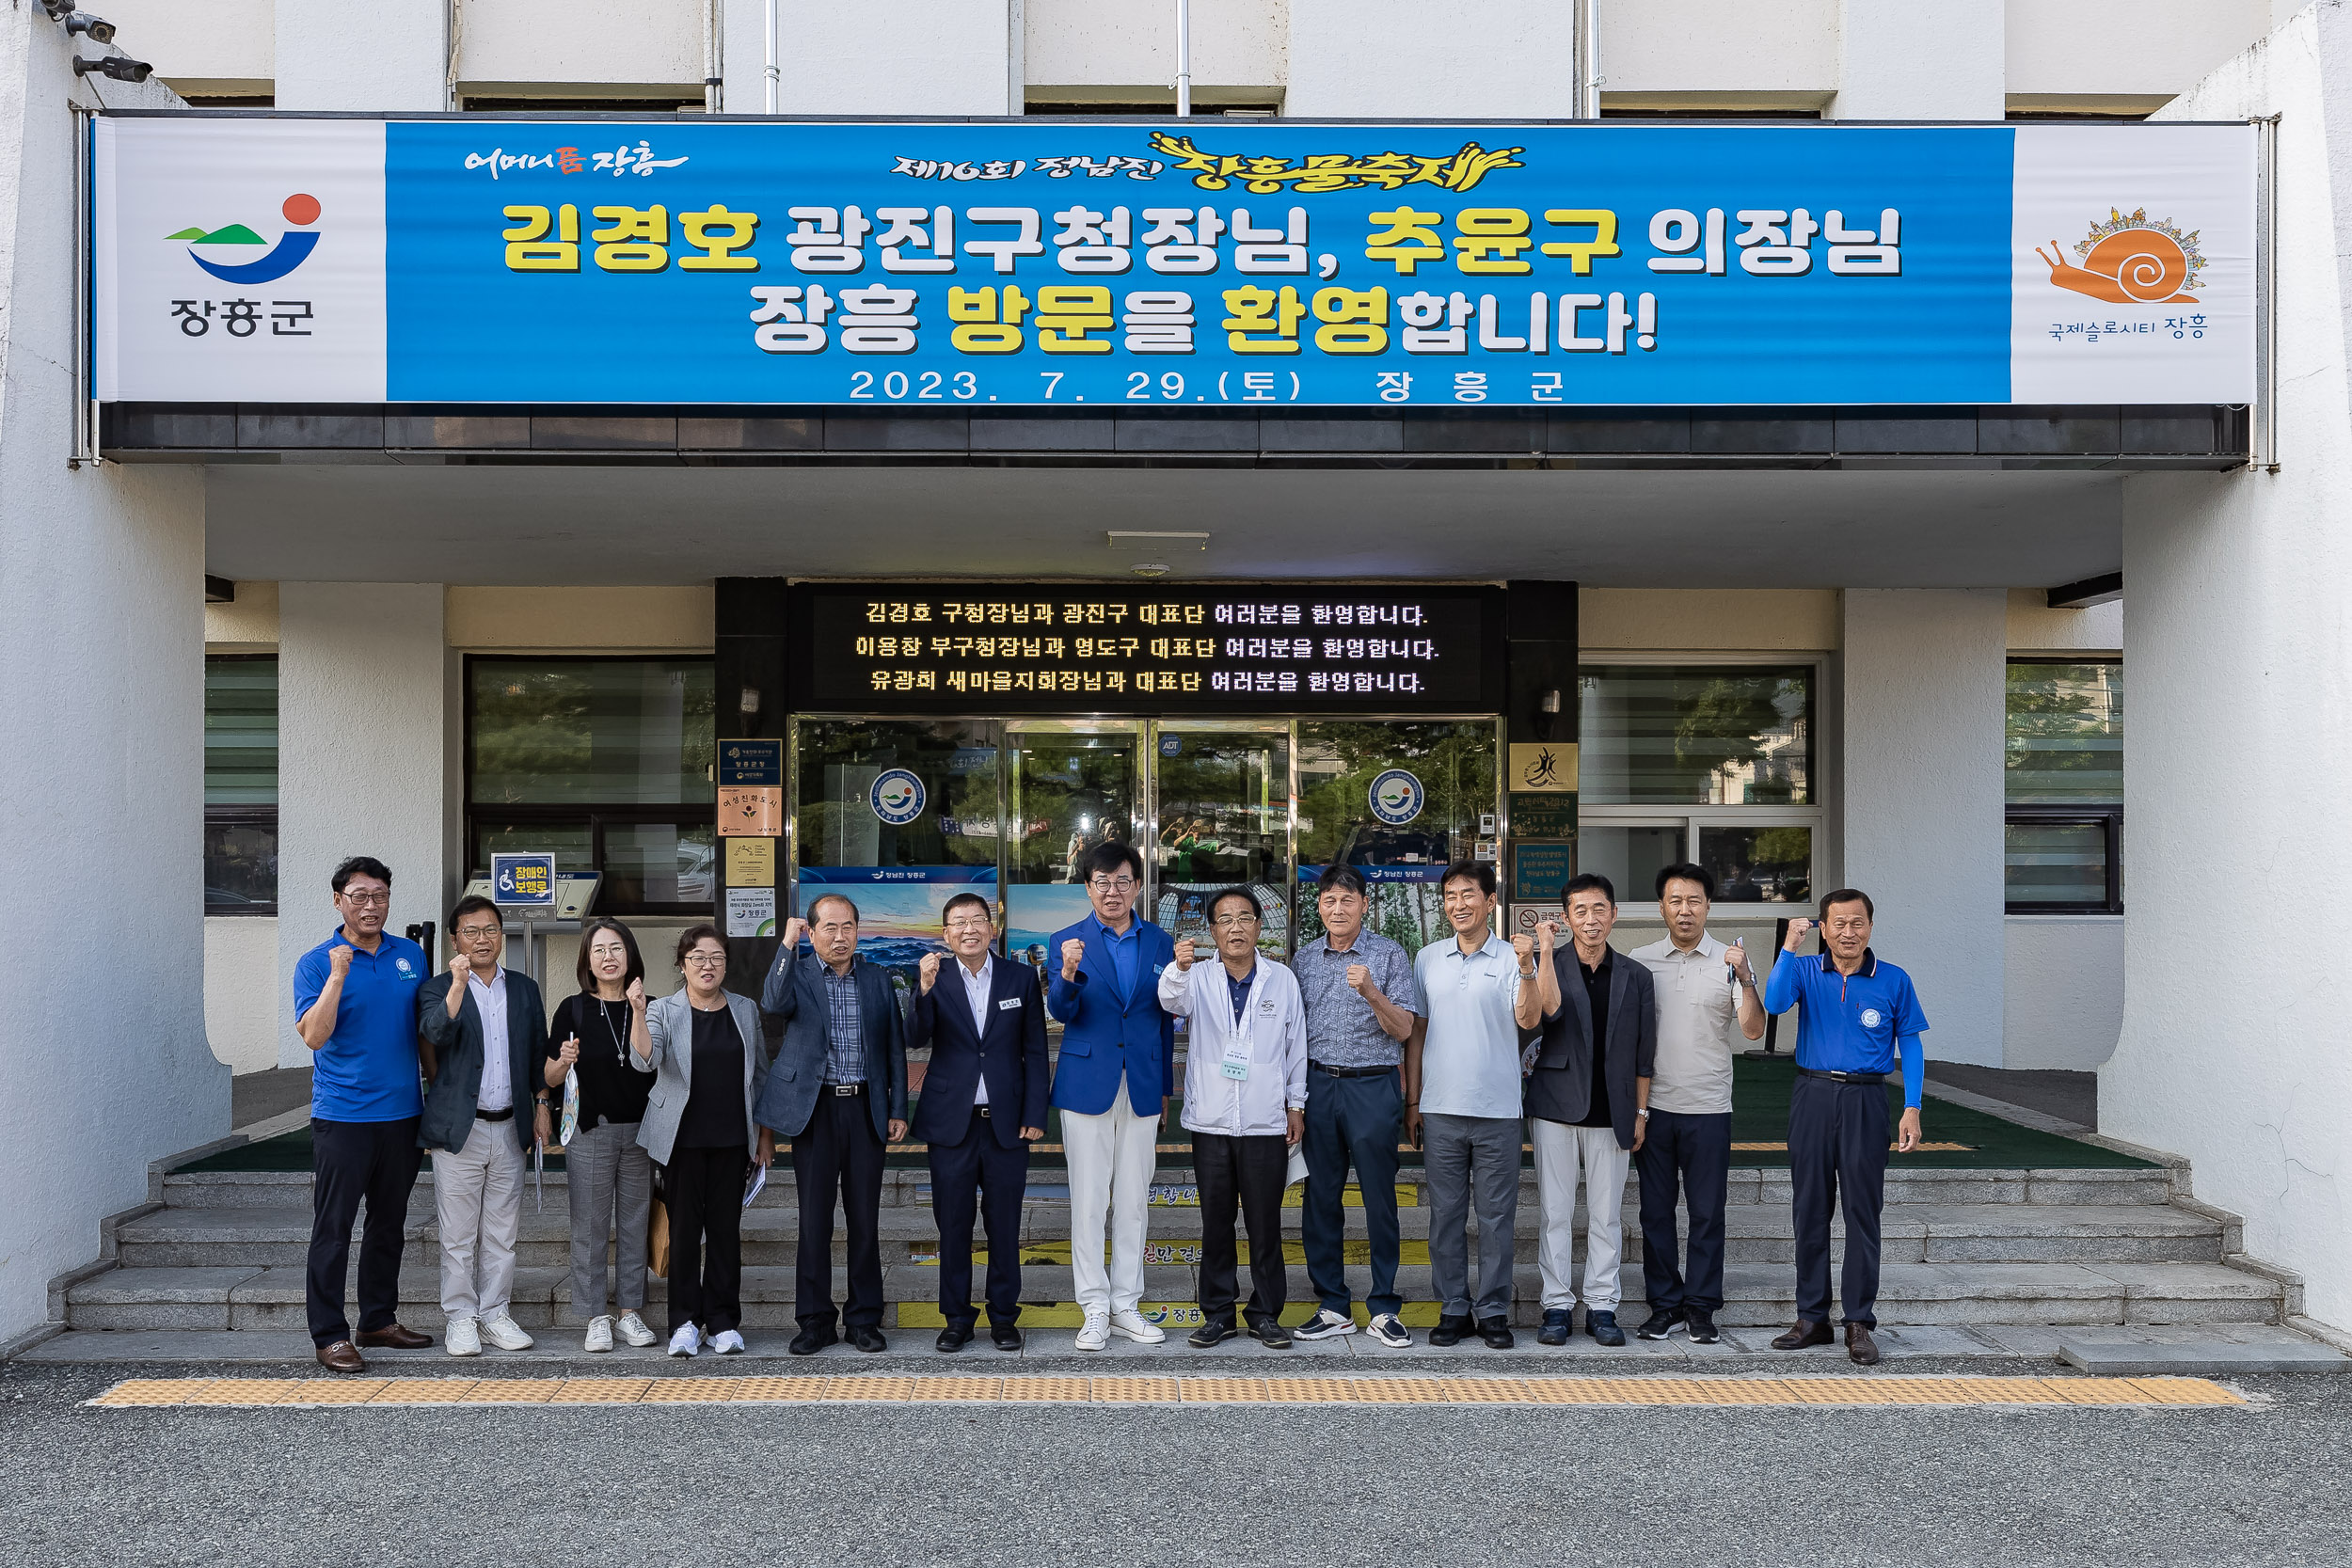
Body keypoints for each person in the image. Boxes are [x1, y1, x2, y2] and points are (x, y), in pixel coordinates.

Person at [1759, 888, 1928, 1367]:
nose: (1848, 932)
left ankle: (1859, 1322)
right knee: (1809, 1209)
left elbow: (1910, 1045)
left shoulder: (1893, 980)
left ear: (1870, 927)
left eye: (1857, 923)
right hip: (1812, 1094)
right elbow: (1773, 1003)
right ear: (1824, 928)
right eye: (1838, 924)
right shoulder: (1808, 971)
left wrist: (1911, 1106)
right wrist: (1790, 946)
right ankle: (1812, 1318)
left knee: (1862, 1213)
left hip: (1866, 1098)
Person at [293, 856, 433, 1375]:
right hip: (343, 1117)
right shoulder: (316, 962)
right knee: (333, 1227)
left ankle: (378, 1318)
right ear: (338, 901)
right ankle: (329, 1334)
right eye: (359, 896)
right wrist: (337, 976)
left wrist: (434, 1091)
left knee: (388, 1224)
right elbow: (313, 1036)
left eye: (379, 896)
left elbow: (422, 1032)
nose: (370, 905)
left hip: (402, 1115)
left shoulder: (411, 957)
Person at [757, 895, 910, 1356]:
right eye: (829, 928)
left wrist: (897, 1108)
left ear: (858, 931)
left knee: (865, 1219)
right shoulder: (798, 974)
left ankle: (864, 1319)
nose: (839, 936)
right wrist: (786, 945)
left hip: (865, 1109)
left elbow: (895, 1050)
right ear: (812, 931)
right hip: (815, 1111)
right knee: (814, 1220)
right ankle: (815, 1320)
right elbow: (771, 1001)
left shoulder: (878, 979)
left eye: (848, 927)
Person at [1158, 887, 1308, 1351]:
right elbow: (1169, 1002)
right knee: (1215, 1222)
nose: (1236, 927)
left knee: (1265, 1223)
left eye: (1245, 918)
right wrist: (1178, 968)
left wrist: (1296, 1104)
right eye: (1225, 920)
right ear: (1213, 931)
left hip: (1265, 1122)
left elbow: (1296, 1047)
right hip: (1211, 1121)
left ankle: (1265, 1313)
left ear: (1260, 926)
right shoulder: (1197, 975)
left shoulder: (1282, 978)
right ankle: (1218, 1313)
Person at [1515, 875, 1656, 1347]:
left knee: (1605, 1215)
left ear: (1614, 915)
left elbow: (1644, 1052)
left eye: (1600, 909)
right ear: (1567, 916)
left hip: (1612, 1111)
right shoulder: (1546, 963)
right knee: (1555, 1211)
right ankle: (1556, 1304)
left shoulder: (1636, 976)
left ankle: (1601, 1305)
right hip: (1556, 1106)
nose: (1591, 919)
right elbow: (1545, 1015)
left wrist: (1641, 1113)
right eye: (1581, 911)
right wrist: (1542, 954)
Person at [1047, 840, 1177, 1352]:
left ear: (1138, 885)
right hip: (1086, 1085)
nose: (1112, 891)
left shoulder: (1161, 943)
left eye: (1123, 881)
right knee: (1089, 1200)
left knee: (1133, 1200)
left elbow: (1166, 1020)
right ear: (1087, 887)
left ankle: (1127, 1304)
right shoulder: (1067, 940)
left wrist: (1166, 1088)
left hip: (1142, 1086)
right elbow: (1061, 1012)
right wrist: (1068, 973)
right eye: (1101, 882)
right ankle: (1094, 1306)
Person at [1628, 863, 1765, 1345]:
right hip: (1656, 1107)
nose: (1685, 910)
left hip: (1709, 1107)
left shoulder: (1730, 961)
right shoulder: (1640, 961)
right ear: (1661, 907)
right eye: (1675, 901)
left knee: (1708, 1213)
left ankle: (1702, 1307)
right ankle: (1665, 1305)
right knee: (1655, 1213)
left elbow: (1752, 1029)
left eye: (1694, 901)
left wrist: (1747, 978)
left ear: (1708, 907)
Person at [1289, 863, 1422, 1348]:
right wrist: (1295, 1101)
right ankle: (1332, 1305)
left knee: (1379, 1199)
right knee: (1320, 1199)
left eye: (1348, 900)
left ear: (1365, 905)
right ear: (1318, 907)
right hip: (1320, 1085)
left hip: (1373, 1088)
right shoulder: (1303, 959)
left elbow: (1405, 1029)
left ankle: (1384, 1306)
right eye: (1329, 900)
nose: (1338, 908)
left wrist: (1370, 991)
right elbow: (1292, 1034)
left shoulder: (1388, 956)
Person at [911, 893, 1047, 1353]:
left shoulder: (1020, 977)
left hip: (1007, 1124)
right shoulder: (935, 975)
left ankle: (1004, 1318)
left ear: (993, 928)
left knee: (1005, 1225)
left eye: (977, 921)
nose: (969, 929)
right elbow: (915, 1035)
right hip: (952, 1124)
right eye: (958, 923)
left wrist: (1034, 1114)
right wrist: (924, 988)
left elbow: (1033, 1050)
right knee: (953, 1226)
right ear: (946, 934)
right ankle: (956, 1319)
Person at [416, 895, 548, 1357]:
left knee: (501, 1232)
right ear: (455, 939)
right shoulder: (436, 988)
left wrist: (543, 1102)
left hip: (510, 1126)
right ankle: (460, 1317)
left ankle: (495, 1313)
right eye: (470, 931)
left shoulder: (526, 989)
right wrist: (457, 984)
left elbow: (536, 1055)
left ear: (502, 935)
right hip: (460, 1130)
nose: (482, 939)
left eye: (490, 929)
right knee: (457, 1233)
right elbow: (435, 1034)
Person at [638, 926, 771, 1358]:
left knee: (725, 1234)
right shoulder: (663, 1009)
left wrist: (764, 1135)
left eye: (716, 958)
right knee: (684, 1234)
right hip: (681, 1140)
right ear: (682, 964)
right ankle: (683, 1324)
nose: (707, 966)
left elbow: (760, 1074)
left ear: (726, 964)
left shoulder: (745, 1009)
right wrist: (638, 1011)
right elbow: (647, 1059)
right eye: (697, 958)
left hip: (734, 1138)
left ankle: (723, 1322)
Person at [1407, 860, 1523, 1350]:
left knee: (1497, 1217)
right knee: (1447, 1214)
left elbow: (1531, 1016)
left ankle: (1494, 1310)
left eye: (1468, 895)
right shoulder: (1428, 958)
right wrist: (1413, 1100)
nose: (1458, 904)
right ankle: (1453, 1307)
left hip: (1499, 1109)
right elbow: (1416, 1033)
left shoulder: (1513, 958)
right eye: (1451, 895)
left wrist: (1536, 963)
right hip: (1440, 1107)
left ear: (1491, 901)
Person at [546, 916, 660, 1353]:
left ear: (630, 955)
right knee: (590, 1226)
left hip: (641, 1133)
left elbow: (653, 1063)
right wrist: (564, 1060)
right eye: (599, 950)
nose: (608, 957)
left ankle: (630, 1313)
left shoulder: (650, 1004)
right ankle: (596, 1315)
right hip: (590, 1130)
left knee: (635, 1224)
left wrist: (638, 1010)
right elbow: (550, 1077)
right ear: (587, 960)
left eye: (616, 949)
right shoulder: (572, 1009)